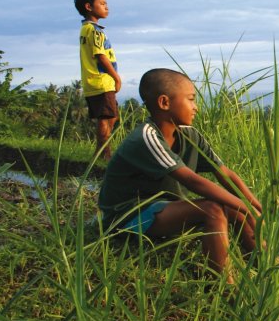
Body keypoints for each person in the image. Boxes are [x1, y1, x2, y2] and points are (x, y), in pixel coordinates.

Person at [98, 68, 262, 283]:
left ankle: (266, 266)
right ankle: (222, 286)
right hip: (126, 217)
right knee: (213, 210)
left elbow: (225, 173)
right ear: (165, 102)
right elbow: (192, 181)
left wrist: (255, 207)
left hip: (164, 208)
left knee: (232, 207)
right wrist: (245, 207)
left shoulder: (189, 134)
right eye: (191, 99)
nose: (196, 107)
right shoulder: (146, 138)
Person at [75, 0, 122, 160]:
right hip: (100, 80)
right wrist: (116, 77)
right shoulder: (94, 31)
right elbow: (100, 55)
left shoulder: (87, 29)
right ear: (89, 7)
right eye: (102, 4)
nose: (106, 7)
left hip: (97, 81)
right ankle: (104, 155)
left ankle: (101, 152)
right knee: (105, 117)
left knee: (112, 115)